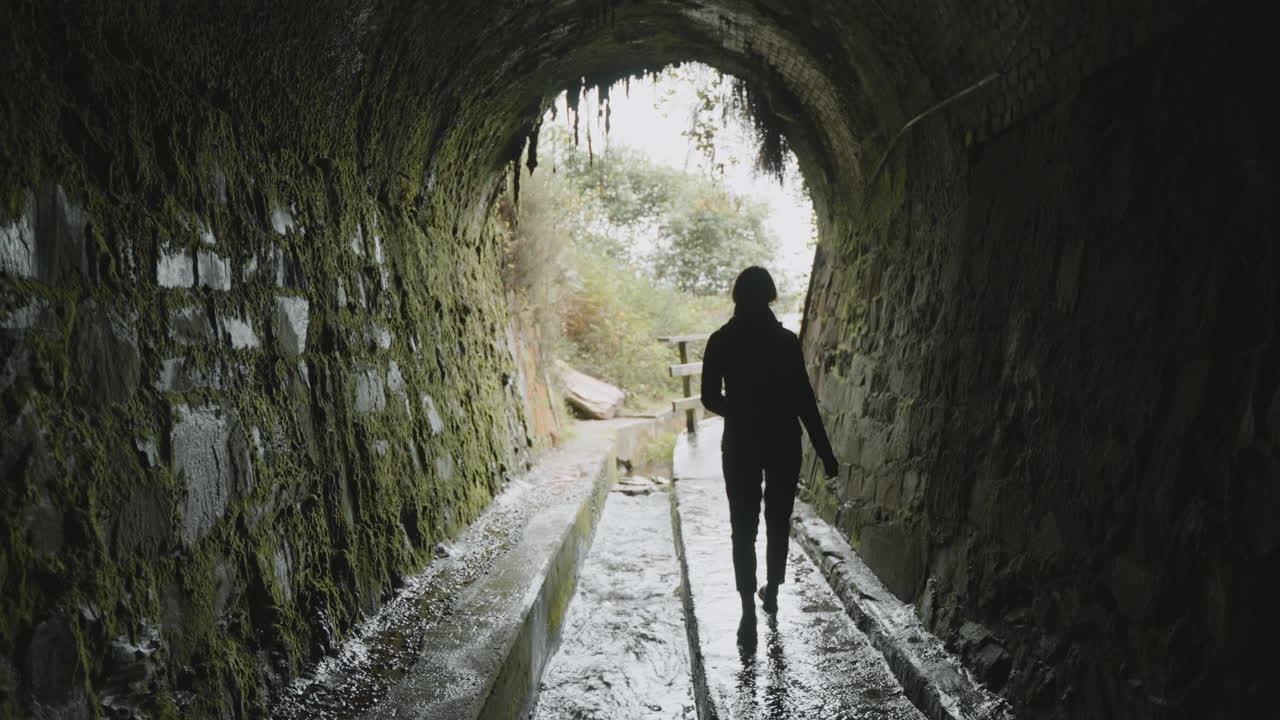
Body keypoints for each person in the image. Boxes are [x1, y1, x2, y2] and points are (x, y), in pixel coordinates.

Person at [700, 266, 840, 629]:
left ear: (737, 296)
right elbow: (804, 400)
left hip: (740, 442)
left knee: (741, 523)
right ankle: (773, 592)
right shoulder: (786, 342)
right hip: (782, 440)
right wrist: (826, 453)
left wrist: (741, 410)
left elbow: (709, 398)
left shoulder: (721, 340)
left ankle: (747, 601)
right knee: (778, 519)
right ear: (770, 296)